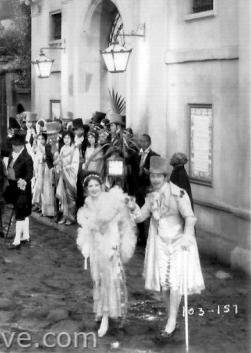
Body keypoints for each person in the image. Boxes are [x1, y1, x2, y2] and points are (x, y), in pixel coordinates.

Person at [128, 156, 204, 340]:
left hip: (179, 242)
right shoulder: (151, 196)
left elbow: (190, 218)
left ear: (165, 177)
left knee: (175, 282)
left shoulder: (179, 194)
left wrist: (187, 236)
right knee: (165, 284)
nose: (154, 179)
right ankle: (172, 316)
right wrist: (132, 207)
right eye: (152, 176)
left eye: (158, 176)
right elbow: (140, 217)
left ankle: (171, 322)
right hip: (161, 243)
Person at [77, 173, 136, 337]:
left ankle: (105, 315)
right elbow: (87, 226)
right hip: (96, 246)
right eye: (90, 186)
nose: (94, 189)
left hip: (109, 245)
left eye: (96, 185)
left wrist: (113, 246)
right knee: (98, 279)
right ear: (86, 189)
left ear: (102, 186)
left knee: (108, 280)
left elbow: (118, 224)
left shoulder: (110, 202)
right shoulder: (88, 203)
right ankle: (101, 310)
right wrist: (86, 245)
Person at [3, 131, 34, 248]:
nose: (13, 146)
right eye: (13, 144)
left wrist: (24, 180)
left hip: (22, 188)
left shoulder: (27, 158)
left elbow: (30, 173)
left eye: (15, 145)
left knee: (21, 213)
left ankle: (17, 240)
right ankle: (25, 235)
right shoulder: (12, 154)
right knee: (21, 211)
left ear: (21, 146)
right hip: (13, 186)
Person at [54, 130, 79, 225]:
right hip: (62, 174)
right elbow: (60, 160)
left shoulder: (75, 149)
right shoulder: (63, 148)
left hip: (70, 175)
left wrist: (66, 167)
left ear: (72, 138)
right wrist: (58, 164)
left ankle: (71, 218)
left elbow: (75, 164)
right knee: (63, 196)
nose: (66, 140)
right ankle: (65, 216)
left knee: (70, 196)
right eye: (65, 138)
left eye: (68, 138)